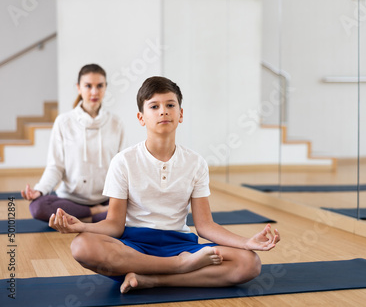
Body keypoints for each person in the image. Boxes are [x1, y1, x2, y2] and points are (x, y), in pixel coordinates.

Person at [49, 76, 280, 293]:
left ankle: (153, 279)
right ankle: (178, 267)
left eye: (170, 105)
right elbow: (114, 225)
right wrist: (82, 227)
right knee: (82, 246)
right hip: (134, 245)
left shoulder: (196, 163)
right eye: (154, 106)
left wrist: (247, 242)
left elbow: (205, 226)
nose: (163, 112)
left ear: (181, 114)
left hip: (180, 243)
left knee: (249, 263)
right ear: (141, 118)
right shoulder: (123, 161)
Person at [21, 64, 126, 222]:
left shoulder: (116, 123)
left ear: (105, 88)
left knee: (135, 207)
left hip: (106, 198)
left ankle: (84, 218)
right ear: (78, 88)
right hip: (70, 200)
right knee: (38, 207)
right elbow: (55, 167)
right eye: (88, 86)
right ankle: (96, 214)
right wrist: (40, 190)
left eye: (99, 86)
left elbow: (122, 168)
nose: (94, 92)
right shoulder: (63, 122)